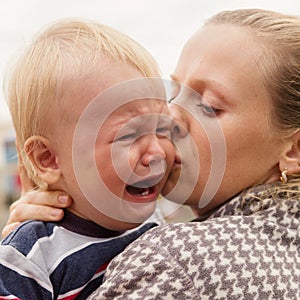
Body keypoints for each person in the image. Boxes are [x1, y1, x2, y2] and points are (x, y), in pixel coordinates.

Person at [3, 8, 300, 299]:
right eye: (174, 94)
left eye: (208, 106)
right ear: (48, 158)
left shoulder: (179, 260)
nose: (170, 119)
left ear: (294, 149)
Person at [0, 18, 175, 299]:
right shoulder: (29, 258)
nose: (156, 153)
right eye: (129, 135)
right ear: (48, 159)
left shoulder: (158, 221)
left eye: (163, 129)